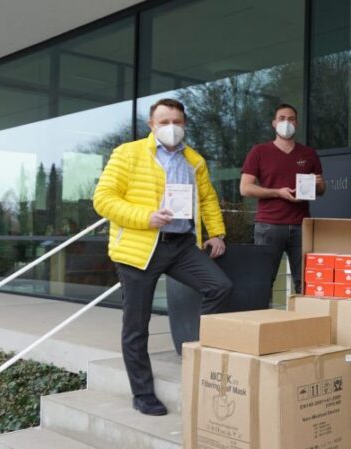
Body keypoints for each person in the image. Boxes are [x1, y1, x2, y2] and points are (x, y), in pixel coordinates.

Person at [94, 98, 232, 416]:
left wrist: (216, 233)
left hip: (181, 244)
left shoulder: (194, 160)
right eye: (164, 122)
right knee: (136, 325)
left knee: (220, 286)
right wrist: (147, 217)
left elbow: (208, 198)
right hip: (140, 247)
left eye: (177, 121)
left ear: (184, 125)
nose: (171, 127)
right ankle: (143, 394)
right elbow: (103, 199)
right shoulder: (127, 153)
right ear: (151, 125)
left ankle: (200, 357)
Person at [240, 104, 324, 303]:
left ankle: (305, 325)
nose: (287, 122)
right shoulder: (259, 151)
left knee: (305, 281)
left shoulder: (309, 153)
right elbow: (245, 188)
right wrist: (277, 193)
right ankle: (263, 325)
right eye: (282, 118)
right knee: (263, 281)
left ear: (297, 123)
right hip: (269, 226)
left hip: (301, 226)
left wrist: (319, 184)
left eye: (291, 118)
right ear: (274, 123)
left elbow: (321, 191)